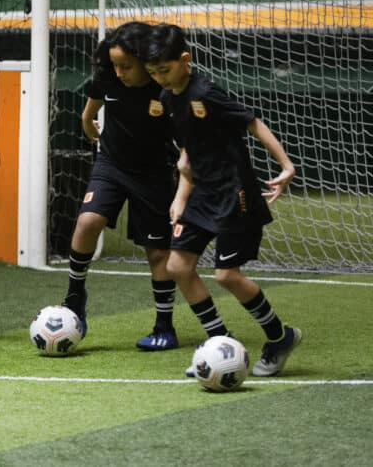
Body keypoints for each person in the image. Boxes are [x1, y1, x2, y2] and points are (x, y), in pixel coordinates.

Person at [144, 23, 301, 377]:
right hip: (202, 193)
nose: (161, 79)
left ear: (185, 60)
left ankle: (280, 337)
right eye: (153, 73)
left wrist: (286, 165)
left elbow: (252, 122)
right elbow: (188, 153)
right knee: (177, 266)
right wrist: (181, 196)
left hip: (235, 194)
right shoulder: (169, 98)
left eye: (165, 70)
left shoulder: (207, 92)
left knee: (227, 274)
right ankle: (219, 343)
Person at [60, 21, 181, 351]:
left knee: (158, 252)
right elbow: (89, 114)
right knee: (87, 221)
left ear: (144, 61)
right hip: (111, 165)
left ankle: (164, 326)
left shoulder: (164, 87)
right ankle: (74, 297)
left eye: (126, 65)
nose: (119, 72)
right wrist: (91, 130)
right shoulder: (108, 77)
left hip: (155, 173)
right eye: (114, 65)